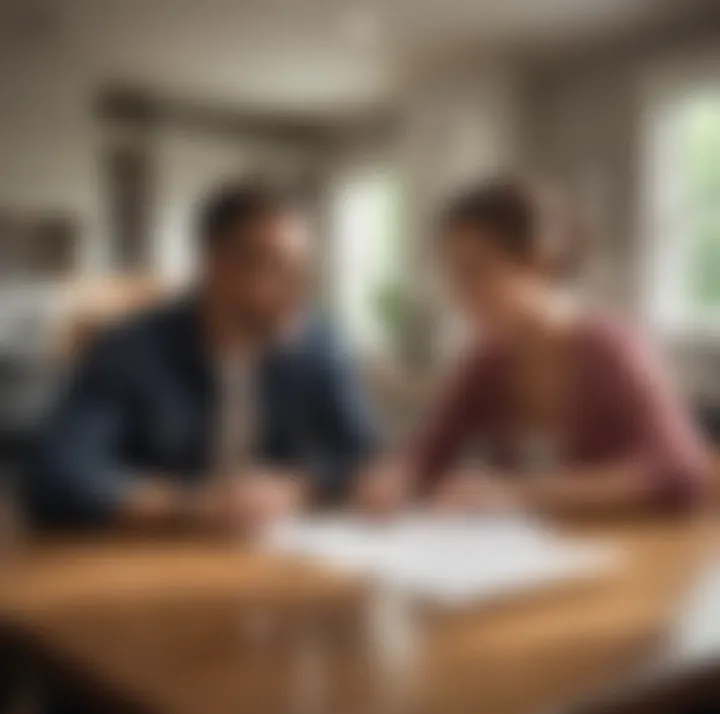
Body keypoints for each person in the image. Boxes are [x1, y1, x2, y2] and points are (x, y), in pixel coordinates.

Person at [28, 181, 376, 532]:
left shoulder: (319, 345)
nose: (297, 286)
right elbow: (58, 476)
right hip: (154, 560)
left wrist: (297, 487)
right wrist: (192, 504)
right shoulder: (128, 350)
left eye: (300, 267)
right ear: (215, 264)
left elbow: (363, 456)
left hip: (279, 557)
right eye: (275, 265)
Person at [358, 177, 707, 518]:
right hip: (531, 557)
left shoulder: (612, 349)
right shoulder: (486, 361)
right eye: (453, 274)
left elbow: (679, 472)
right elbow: (427, 455)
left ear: (538, 263)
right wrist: (395, 478)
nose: (459, 293)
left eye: (475, 271)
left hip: (631, 558)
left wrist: (517, 492)